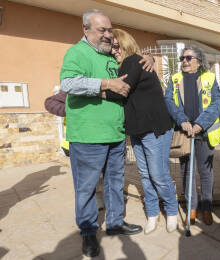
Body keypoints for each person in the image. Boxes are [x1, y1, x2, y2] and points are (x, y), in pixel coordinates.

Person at [60, 9, 148, 257]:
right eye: (102, 30)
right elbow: (68, 83)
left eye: (110, 30)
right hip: (88, 136)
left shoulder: (110, 56)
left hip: (115, 133)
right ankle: (88, 233)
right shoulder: (77, 52)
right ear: (85, 30)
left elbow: (131, 63)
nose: (108, 35)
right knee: (87, 188)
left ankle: (115, 223)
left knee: (115, 182)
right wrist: (106, 83)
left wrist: (147, 57)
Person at [106, 28, 178, 234]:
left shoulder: (133, 61)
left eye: (116, 45)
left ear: (125, 43)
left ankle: (171, 211)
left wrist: (95, 91)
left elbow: (120, 91)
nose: (114, 50)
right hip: (138, 129)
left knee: (158, 174)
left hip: (153, 129)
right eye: (111, 47)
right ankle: (153, 213)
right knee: (145, 175)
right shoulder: (127, 64)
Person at [164, 46, 220, 226]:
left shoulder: (209, 78)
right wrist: (182, 121)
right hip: (184, 134)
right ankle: (192, 207)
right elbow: (168, 101)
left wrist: (199, 124)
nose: (184, 61)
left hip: (203, 133)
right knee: (187, 172)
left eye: (188, 58)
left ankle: (206, 207)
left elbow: (216, 103)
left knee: (206, 173)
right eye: (182, 58)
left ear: (198, 60)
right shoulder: (174, 79)